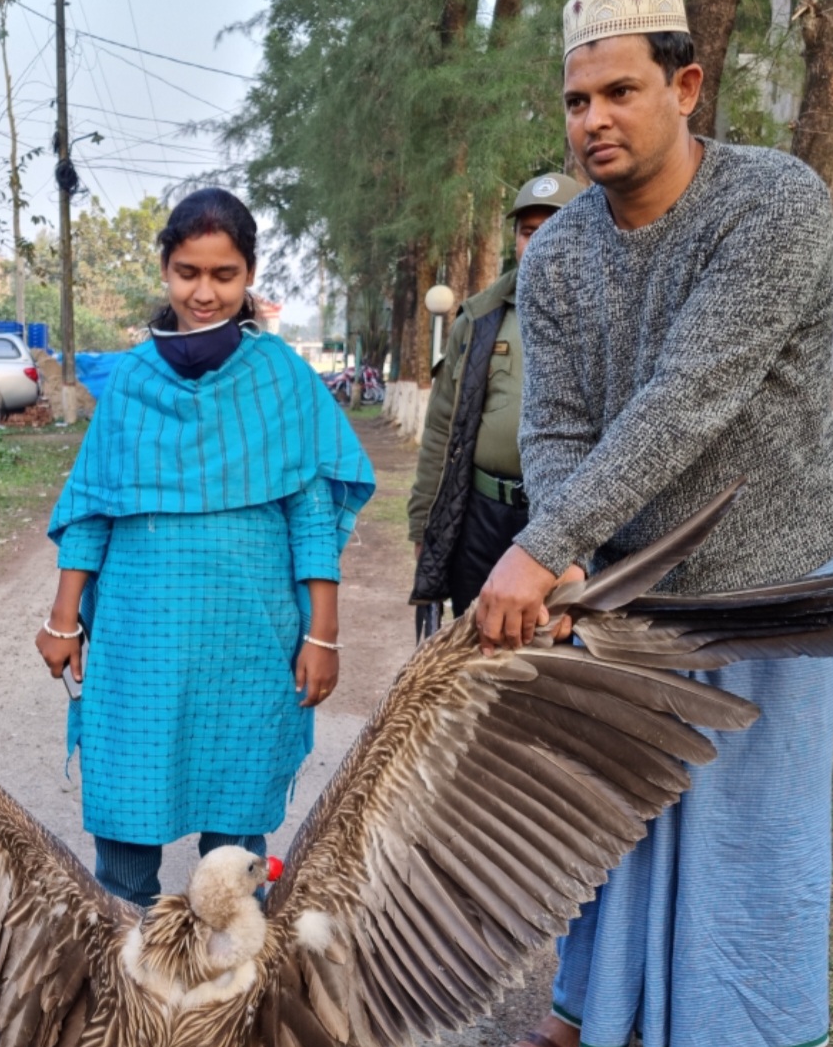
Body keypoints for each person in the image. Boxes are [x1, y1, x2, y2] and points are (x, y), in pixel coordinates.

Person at [466, 0, 833, 1047]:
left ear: (688, 89)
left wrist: (539, 549)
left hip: (774, 569)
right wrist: (565, 535)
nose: (594, 120)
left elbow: (693, 393)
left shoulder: (775, 202)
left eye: (622, 91)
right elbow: (559, 426)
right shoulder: (560, 255)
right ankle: (585, 1014)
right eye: (577, 98)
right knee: (608, 810)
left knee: (751, 807)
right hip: (632, 575)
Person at [35, 189, 376, 907]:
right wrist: (65, 617)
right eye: (189, 272)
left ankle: (231, 1007)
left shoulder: (282, 377)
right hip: (138, 645)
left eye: (224, 274)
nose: (205, 291)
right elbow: (93, 505)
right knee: (126, 848)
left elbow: (312, 513)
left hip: (248, 642)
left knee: (233, 857)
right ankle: (126, 1007)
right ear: (165, 269)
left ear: (249, 274)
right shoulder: (130, 381)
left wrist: (324, 632)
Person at [408, 172, 581, 635]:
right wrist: (425, 524)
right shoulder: (481, 316)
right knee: (475, 653)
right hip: (482, 516)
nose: (538, 241)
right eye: (528, 232)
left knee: (558, 665)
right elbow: (442, 429)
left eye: (554, 228)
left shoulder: (609, 314)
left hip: (566, 523)